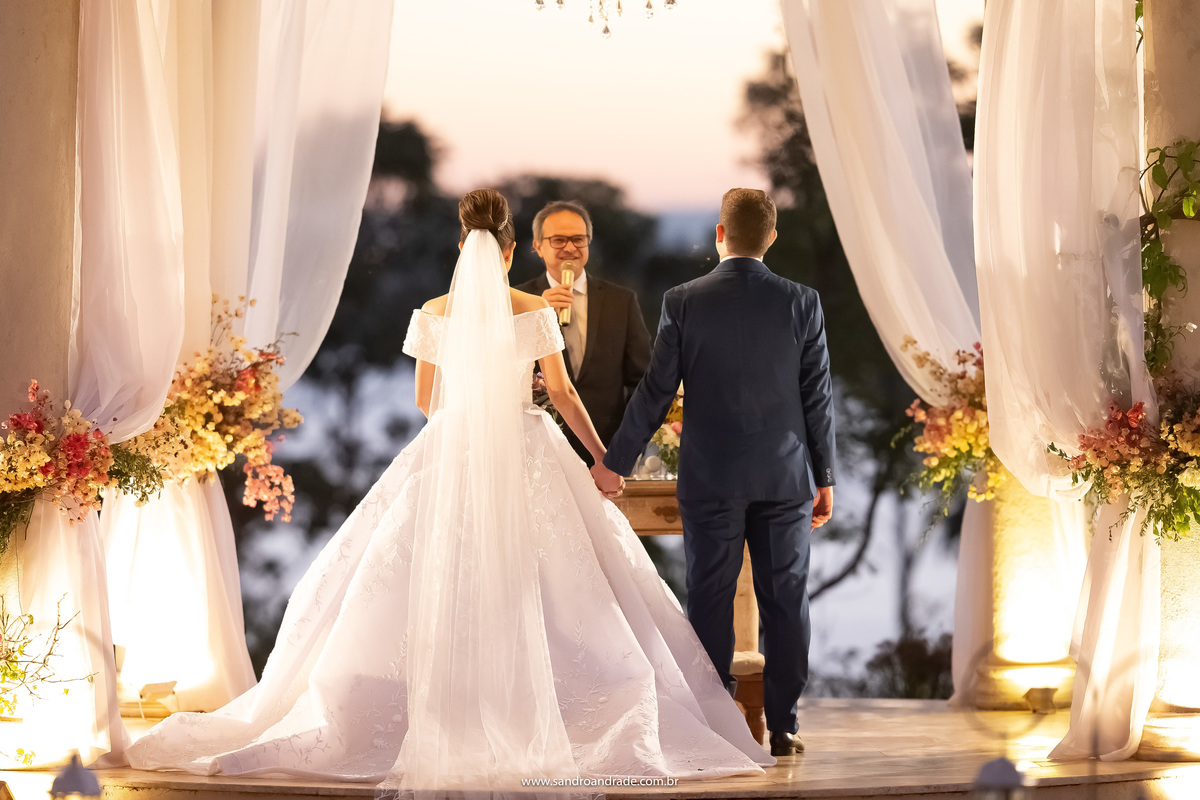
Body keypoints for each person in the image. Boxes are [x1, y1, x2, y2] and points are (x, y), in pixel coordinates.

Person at [125, 189, 772, 795]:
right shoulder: (534, 310)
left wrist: (470, 423)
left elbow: (427, 400)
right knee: (560, 585)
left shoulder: (434, 312)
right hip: (530, 442)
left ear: (462, 247)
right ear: (513, 250)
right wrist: (604, 459)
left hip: (452, 443)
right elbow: (566, 394)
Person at [596, 188, 836, 759]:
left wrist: (615, 463)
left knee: (708, 597)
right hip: (785, 479)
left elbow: (656, 393)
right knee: (788, 602)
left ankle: (713, 721)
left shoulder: (683, 299)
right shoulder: (803, 301)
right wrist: (824, 476)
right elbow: (817, 399)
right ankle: (783, 726)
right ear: (770, 238)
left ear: (719, 236)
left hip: (711, 478)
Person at [515, 201, 651, 464]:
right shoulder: (517, 302)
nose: (569, 247)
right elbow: (502, 372)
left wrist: (628, 444)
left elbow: (642, 381)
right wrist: (536, 315)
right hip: (535, 452)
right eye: (558, 240)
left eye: (578, 239)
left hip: (606, 450)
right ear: (537, 246)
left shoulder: (621, 301)